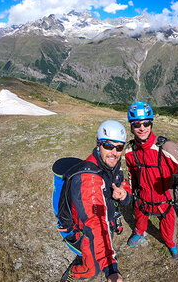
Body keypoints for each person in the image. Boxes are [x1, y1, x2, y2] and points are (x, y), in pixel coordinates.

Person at [125, 102, 178, 260]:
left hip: (165, 201)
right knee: (140, 220)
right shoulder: (130, 152)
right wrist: (130, 192)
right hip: (142, 198)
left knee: (169, 228)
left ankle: (171, 243)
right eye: (137, 124)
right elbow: (132, 174)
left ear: (151, 123)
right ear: (131, 127)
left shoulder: (166, 148)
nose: (142, 128)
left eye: (146, 123)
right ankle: (139, 233)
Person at [61, 120, 132, 282]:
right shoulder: (88, 180)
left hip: (106, 220)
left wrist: (124, 195)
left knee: (99, 250)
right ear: (98, 144)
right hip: (85, 230)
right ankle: (76, 273)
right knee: (93, 268)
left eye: (119, 147)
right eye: (108, 146)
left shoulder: (112, 163)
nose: (114, 152)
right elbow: (95, 225)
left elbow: (123, 183)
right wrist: (111, 268)